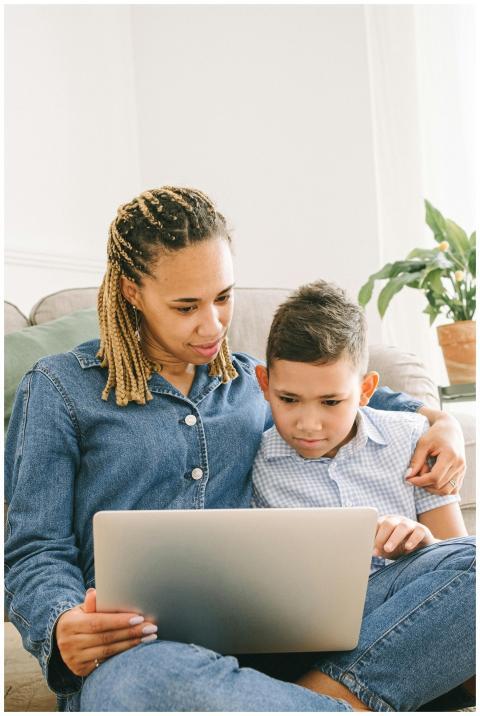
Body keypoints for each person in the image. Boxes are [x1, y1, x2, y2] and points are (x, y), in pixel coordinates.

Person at [4, 186, 473, 712]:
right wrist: (62, 621)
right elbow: (34, 550)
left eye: (223, 297)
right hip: (145, 653)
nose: (213, 325)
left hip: (288, 639)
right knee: (133, 686)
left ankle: (314, 701)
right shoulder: (59, 389)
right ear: (132, 291)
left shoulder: (253, 379)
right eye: (186, 306)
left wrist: (441, 423)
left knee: (470, 568)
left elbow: (364, 394)